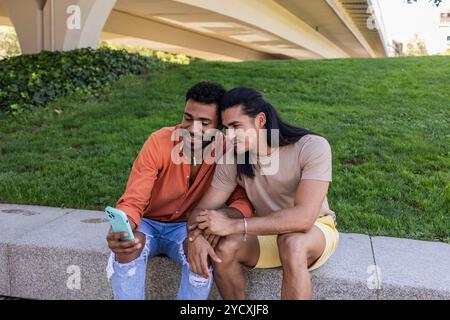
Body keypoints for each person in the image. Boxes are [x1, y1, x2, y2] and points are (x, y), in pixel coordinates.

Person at [106, 82, 253, 300]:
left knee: (204, 253)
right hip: (147, 222)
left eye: (204, 122)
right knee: (128, 247)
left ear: (220, 125)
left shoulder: (228, 151)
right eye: (188, 118)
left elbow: (241, 202)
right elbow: (134, 200)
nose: (193, 129)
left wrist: (210, 224)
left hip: (187, 227)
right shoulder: (159, 142)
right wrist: (123, 227)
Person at [189, 87, 339, 300]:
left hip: (314, 231)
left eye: (235, 126)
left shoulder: (311, 146)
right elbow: (201, 211)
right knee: (223, 249)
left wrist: (232, 225)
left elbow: (304, 219)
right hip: (265, 233)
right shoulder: (233, 158)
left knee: (292, 243)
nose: (229, 136)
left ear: (260, 120)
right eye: (226, 128)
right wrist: (196, 237)